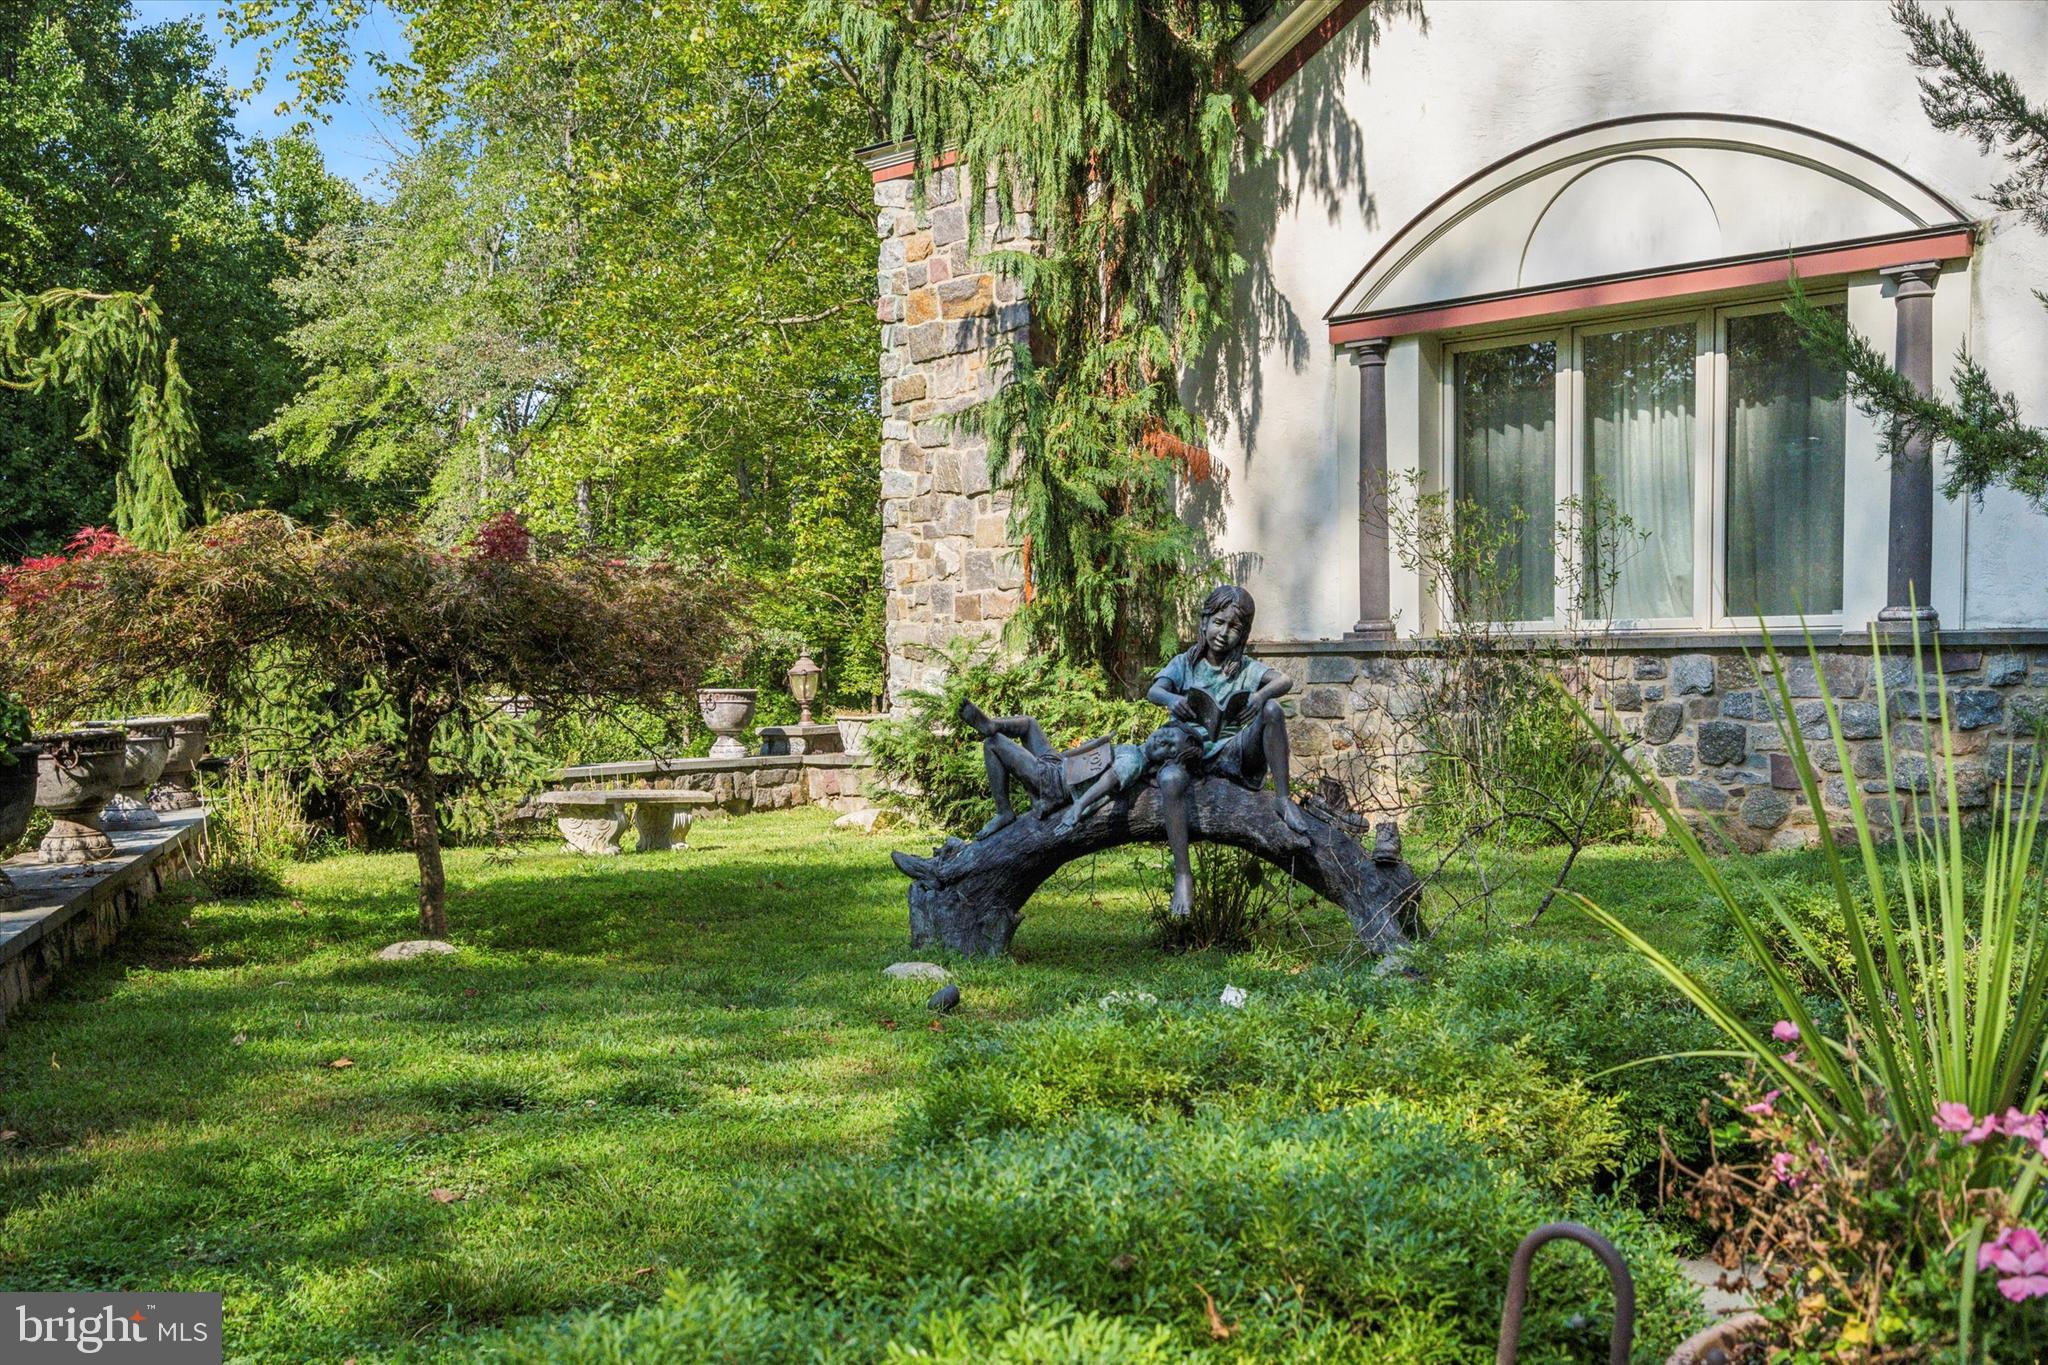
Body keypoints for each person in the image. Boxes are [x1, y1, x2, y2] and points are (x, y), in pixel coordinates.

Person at [1146, 584, 1310, 917]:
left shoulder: (1247, 669)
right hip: (1191, 751)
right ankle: (1183, 873)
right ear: (1205, 621)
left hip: (1234, 752)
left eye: (1234, 627)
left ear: (1244, 633)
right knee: (1172, 778)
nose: (1224, 633)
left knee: (1273, 712)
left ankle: (1282, 799)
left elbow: (1285, 681)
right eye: (1219, 622)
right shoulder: (1185, 663)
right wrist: (1174, 700)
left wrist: (1259, 697)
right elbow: (1154, 690)